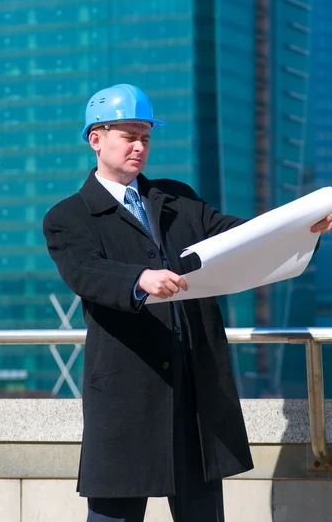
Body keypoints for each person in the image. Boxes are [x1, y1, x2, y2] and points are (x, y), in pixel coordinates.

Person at [43, 84, 332, 522]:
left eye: (145, 136)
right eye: (128, 135)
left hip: (195, 389)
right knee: (114, 517)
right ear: (95, 139)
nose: (139, 146)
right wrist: (139, 279)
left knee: (203, 514)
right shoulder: (68, 217)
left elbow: (237, 236)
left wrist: (303, 226)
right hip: (127, 393)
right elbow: (84, 271)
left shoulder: (177, 199)